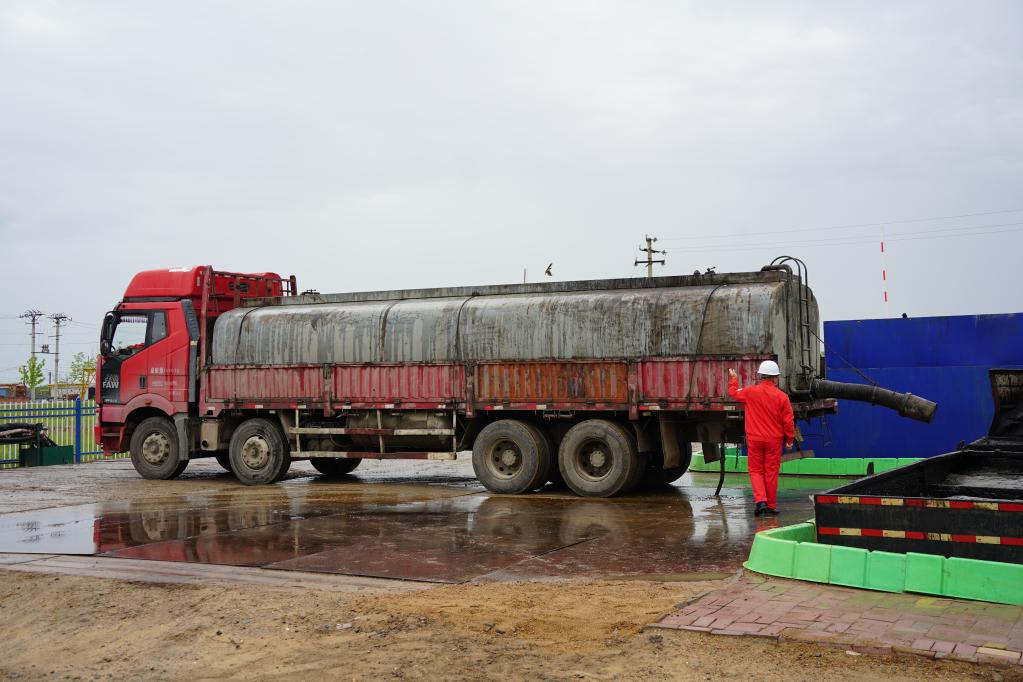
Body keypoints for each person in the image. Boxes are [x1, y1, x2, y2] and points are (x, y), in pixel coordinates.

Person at [727, 361, 795, 516]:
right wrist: (790, 440)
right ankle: (771, 506)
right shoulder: (782, 397)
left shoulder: (750, 392)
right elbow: (788, 422)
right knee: (771, 472)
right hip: (774, 441)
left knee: (756, 471)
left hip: (755, 440)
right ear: (775, 378)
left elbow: (733, 393)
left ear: (760, 376)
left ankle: (761, 502)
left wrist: (734, 379)